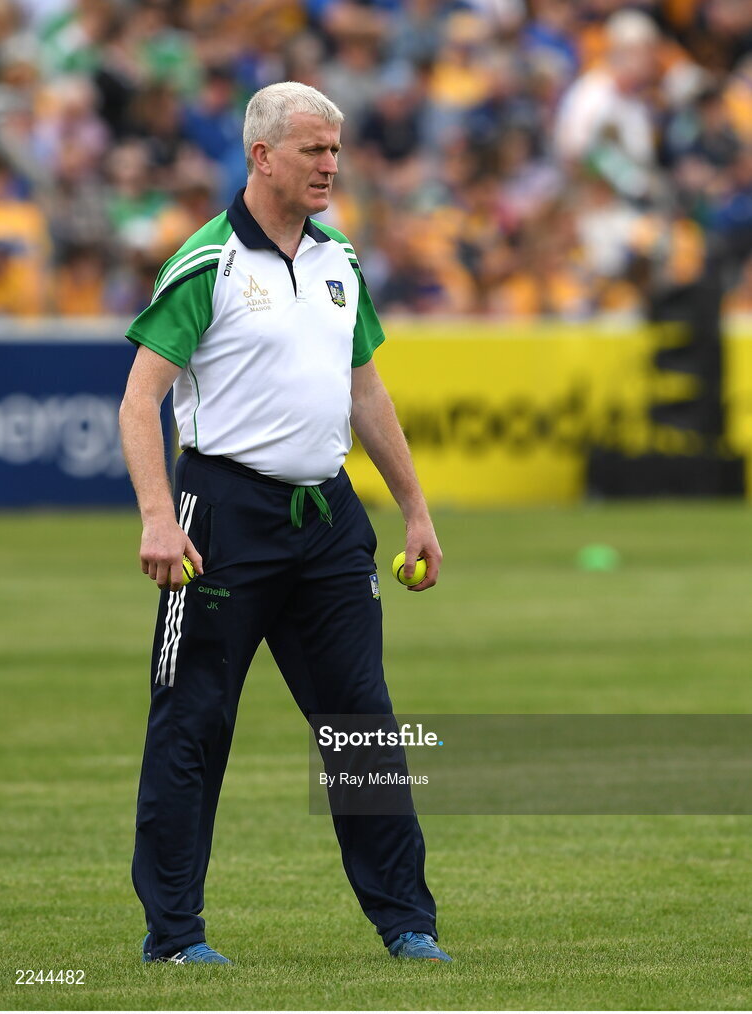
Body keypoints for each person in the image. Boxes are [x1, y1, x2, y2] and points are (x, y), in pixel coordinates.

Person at [118, 81, 451, 966]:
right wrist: (159, 515)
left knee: (363, 725)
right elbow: (139, 399)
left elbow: (364, 389)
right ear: (261, 155)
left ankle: (407, 925)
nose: (330, 166)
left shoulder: (339, 255)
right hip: (223, 516)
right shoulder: (206, 261)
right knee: (192, 724)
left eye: (336, 150)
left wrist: (413, 508)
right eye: (313, 150)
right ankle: (175, 936)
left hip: (329, 521)